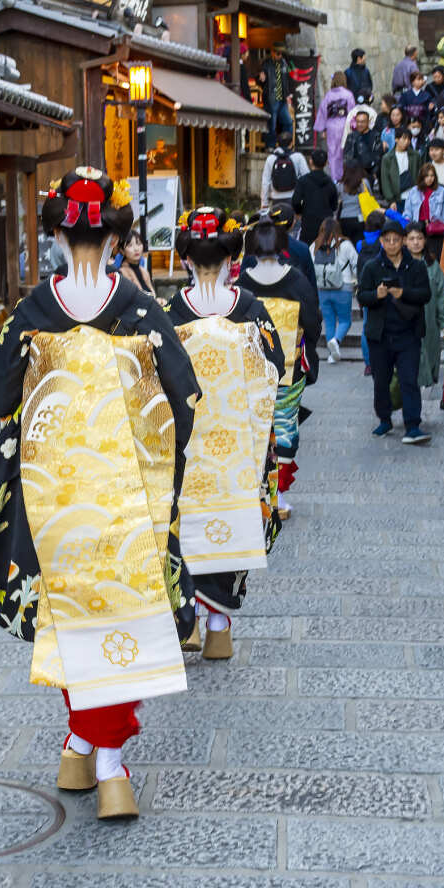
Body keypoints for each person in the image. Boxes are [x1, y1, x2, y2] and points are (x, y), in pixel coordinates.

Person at [0, 167, 199, 821]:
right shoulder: (138, 307)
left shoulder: (31, 312)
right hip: (125, 495)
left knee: (69, 618)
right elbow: (184, 394)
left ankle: (84, 745)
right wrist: (159, 462)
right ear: (113, 234)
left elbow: (0, 397)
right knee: (118, 621)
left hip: (54, 498)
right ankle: (107, 764)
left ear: (54, 234)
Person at [166, 209, 285, 660]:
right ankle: (219, 626)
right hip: (237, 444)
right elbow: (275, 370)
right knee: (230, 523)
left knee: (187, 525)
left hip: (189, 442)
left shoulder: (170, 313)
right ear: (233, 256)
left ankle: (191, 621)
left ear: (186, 259)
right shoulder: (250, 310)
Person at [236, 217, 323, 516]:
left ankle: (256, 491)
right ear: (282, 246)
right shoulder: (296, 279)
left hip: (251, 367)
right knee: (286, 425)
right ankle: (279, 495)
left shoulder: (243, 282)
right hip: (289, 366)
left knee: (254, 427)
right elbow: (312, 321)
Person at [356, 218, 432, 445]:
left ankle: (413, 425)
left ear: (403, 242)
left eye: (396, 240)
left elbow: (425, 295)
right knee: (381, 380)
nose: (391, 244)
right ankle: (384, 419)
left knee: (409, 379)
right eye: (387, 240)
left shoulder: (416, 266)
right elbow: (362, 296)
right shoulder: (372, 266)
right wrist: (376, 295)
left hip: (408, 333)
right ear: (381, 241)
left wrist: (403, 293)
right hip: (380, 335)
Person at [405, 225, 444, 394]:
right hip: (406, 322)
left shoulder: (433, 265)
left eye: (419, 238)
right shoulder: (401, 264)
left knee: (429, 355)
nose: (416, 242)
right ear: (405, 241)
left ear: (425, 240)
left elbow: (440, 296)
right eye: (412, 239)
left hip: (429, 320)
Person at [310, 216, 357, 363]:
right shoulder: (345, 245)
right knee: (345, 321)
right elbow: (357, 263)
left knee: (329, 322)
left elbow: (310, 268)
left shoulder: (314, 245)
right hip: (343, 288)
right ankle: (336, 341)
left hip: (322, 289)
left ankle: (332, 355)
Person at [292, 148, 342, 246]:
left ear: (310, 161)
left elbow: (296, 201)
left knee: (306, 251)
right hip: (326, 225)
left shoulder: (303, 181)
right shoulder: (330, 182)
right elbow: (334, 206)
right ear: (326, 163)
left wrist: (300, 212)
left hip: (308, 223)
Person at [315, 72, 355, 181]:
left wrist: (323, 129)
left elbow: (323, 112)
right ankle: (344, 177)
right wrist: (354, 126)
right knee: (344, 151)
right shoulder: (348, 94)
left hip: (331, 126)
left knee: (332, 153)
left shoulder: (328, 95)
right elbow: (352, 112)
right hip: (344, 126)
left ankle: (335, 178)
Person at [260, 128, 309, 211]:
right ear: (291, 143)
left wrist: (264, 203)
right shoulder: (298, 157)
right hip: (293, 198)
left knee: (277, 222)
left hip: (276, 199)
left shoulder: (271, 158)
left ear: (277, 144)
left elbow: (265, 182)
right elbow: (306, 178)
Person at [378, 125, 422, 210]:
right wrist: (391, 200)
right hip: (397, 198)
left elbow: (420, 173)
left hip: (414, 197)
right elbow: (385, 180)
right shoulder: (387, 158)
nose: (407, 141)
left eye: (409, 139)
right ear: (396, 139)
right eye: (404, 138)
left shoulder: (415, 155)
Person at [402, 162, 444, 236]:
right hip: (417, 226)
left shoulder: (441, 191)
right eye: (426, 176)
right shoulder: (414, 191)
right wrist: (407, 226)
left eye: (432, 175)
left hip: (436, 227)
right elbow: (407, 212)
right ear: (422, 177)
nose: (430, 178)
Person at [336, 161, 379, 244]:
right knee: (359, 245)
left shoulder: (341, 184)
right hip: (360, 219)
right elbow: (370, 196)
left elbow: (337, 201)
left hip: (344, 219)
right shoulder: (364, 182)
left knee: (346, 244)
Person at [257, 46, 295, 140]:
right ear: (273, 52)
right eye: (278, 53)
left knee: (288, 122)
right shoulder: (266, 64)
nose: (280, 56)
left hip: (282, 99)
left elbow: (291, 73)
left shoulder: (284, 63)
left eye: (282, 54)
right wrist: (261, 79)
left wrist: (287, 94)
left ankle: (286, 143)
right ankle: (270, 145)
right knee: (271, 124)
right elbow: (259, 80)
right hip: (271, 98)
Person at [342, 108, 382, 184]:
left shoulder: (376, 136)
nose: (360, 124)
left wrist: (375, 173)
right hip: (354, 173)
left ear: (368, 122)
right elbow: (346, 156)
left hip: (369, 174)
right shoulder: (351, 136)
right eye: (358, 122)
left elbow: (378, 157)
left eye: (363, 122)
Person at [113, 230, 156, 294]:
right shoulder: (121, 273)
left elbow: (152, 295)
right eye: (130, 245)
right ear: (122, 251)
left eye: (138, 244)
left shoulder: (144, 271)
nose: (136, 249)